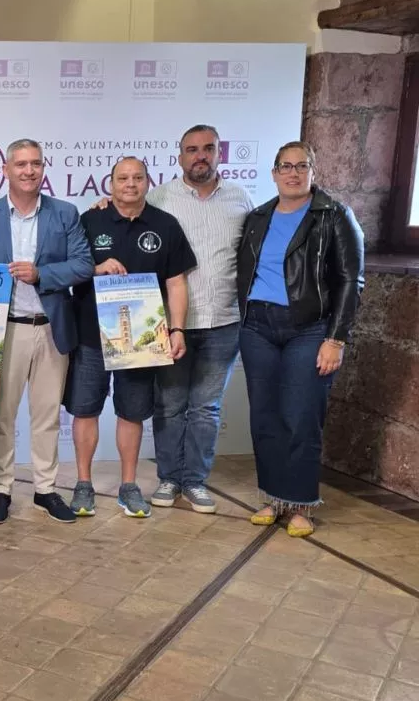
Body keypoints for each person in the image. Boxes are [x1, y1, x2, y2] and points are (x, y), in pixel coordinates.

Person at [236, 141, 364, 537]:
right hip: (257, 326)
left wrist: (335, 340)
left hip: (309, 328)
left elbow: (350, 281)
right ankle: (274, 499)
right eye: (285, 166)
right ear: (274, 173)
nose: (293, 173)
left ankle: (301, 506)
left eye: (301, 166)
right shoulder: (258, 216)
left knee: (301, 417)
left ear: (313, 170)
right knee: (265, 418)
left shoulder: (334, 215)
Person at [0, 140, 94, 524]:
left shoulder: (65, 213)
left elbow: (84, 264)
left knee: (46, 416)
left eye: (36, 163)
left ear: (44, 169)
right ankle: (1, 489)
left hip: (51, 328)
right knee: (2, 416)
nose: (29, 170)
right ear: (6, 170)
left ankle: (45, 489)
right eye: (20, 164)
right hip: (4, 330)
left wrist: (43, 275)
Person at [65, 157, 195, 519]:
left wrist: (177, 328)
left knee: (132, 413)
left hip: (142, 342)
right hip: (91, 337)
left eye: (138, 177)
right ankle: (83, 484)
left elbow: (176, 283)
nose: (130, 184)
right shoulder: (89, 221)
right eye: (122, 178)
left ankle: (129, 486)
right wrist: (95, 268)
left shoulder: (166, 225)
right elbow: (68, 270)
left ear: (147, 182)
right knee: (85, 410)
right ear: (110, 184)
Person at [146, 125, 255, 515]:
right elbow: (126, 218)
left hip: (224, 321)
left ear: (219, 153)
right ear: (180, 156)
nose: (200, 156)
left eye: (208, 148)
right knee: (170, 406)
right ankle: (168, 477)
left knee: (206, 410)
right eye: (192, 149)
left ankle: (194, 482)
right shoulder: (159, 198)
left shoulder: (241, 199)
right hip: (173, 322)